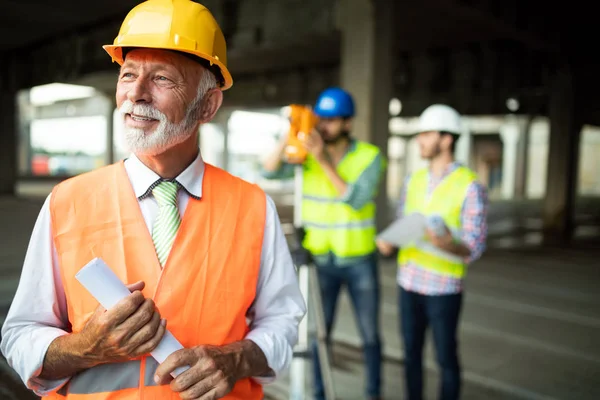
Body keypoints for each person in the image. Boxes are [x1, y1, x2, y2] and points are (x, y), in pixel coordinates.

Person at [0, 1, 306, 399]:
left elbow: (281, 321)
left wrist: (238, 358)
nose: (136, 95)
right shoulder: (67, 202)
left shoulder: (252, 207)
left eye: (162, 78)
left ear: (208, 105)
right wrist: (84, 348)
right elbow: (20, 336)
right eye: (128, 75)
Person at [262, 87, 386, 400]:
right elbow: (269, 168)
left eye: (332, 121)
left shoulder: (369, 156)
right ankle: (319, 394)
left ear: (348, 123)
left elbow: (356, 199)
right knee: (319, 335)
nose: (325, 126)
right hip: (320, 259)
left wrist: (323, 159)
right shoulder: (306, 155)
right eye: (322, 119)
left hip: (359, 259)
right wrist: (292, 132)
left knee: (370, 336)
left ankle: (373, 393)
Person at [377, 104, 488, 400]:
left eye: (427, 134)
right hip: (409, 283)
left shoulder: (470, 186)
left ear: (446, 138)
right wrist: (390, 241)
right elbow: (405, 222)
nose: (420, 140)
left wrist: (449, 243)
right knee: (410, 355)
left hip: (443, 289)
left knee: (445, 359)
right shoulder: (414, 180)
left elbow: (474, 248)